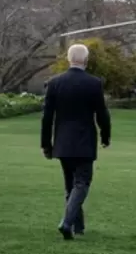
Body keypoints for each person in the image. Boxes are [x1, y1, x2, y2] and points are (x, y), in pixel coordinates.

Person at [40, 43, 111, 240]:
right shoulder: (94, 83)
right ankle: (67, 222)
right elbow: (102, 114)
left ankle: (77, 228)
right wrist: (106, 137)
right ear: (86, 61)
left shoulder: (55, 83)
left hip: (62, 141)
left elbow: (47, 117)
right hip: (84, 141)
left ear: (69, 60)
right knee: (82, 183)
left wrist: (46, 144)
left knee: (70, 186)